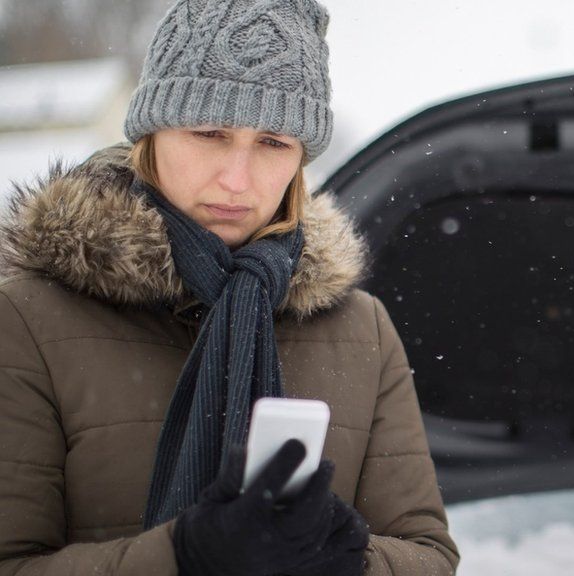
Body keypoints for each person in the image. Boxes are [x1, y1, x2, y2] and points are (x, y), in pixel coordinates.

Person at [0, 0, 459, 574]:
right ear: (151, 134)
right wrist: (182, 557)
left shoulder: (360, 329)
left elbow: (430, 557)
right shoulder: (26, 319)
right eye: (209, 132)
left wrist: (352, 561)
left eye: (273, 143)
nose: (236, 180)